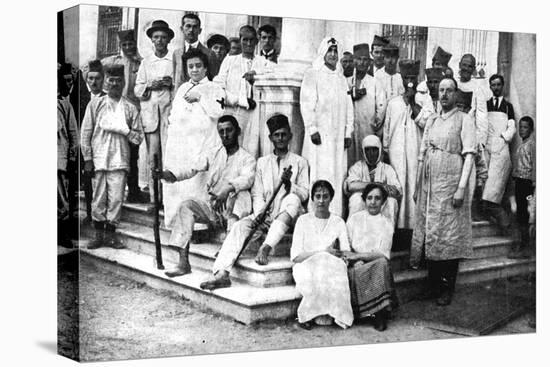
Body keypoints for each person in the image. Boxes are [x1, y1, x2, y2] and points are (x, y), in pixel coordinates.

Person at [199, 114, 309, 288]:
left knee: (293, 199)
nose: (280, 138)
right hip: (264, 215)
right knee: (239, 226)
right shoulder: (262, 163)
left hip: (288, 217)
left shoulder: (300, 162)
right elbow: (257, 194)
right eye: (276, 135)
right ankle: (222, 273)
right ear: (270, 138)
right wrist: (259, 214)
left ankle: (266, 247)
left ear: (290, 135)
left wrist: (290, 185)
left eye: (283, 134)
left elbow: (304, 193)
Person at [154, 115, 256, 277]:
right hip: (214, 208)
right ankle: (183, 262)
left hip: (232, 210)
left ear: (238, 131)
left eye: (229, 130)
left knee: (241, 196)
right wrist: (168, 174)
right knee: (187, 205)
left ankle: (225, 254)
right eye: (221, 131)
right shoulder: (214, 153)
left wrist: (227, 189)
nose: (225, 135)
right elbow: (192, 168)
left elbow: (247, 179)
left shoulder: (247, 159)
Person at [411, 78, 476, 306]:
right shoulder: (433, 120)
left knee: (449, 235)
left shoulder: (464, 119)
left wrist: (460, 188)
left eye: (449, 90)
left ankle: (447, 288)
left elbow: (469, 154)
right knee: (433, 233)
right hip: (431, 184)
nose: (445, 94)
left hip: (451, 184)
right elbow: (422, 154)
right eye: (441, 90)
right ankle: (432, 285)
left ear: (456, 94)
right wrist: (419, 186)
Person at [81, 65, 144, 249]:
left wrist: (124, 129)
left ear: (124, 82)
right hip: (99, 158)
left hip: (119, 159)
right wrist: (88, 159)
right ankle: (98, 235)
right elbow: (86, 133)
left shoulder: (130, 108)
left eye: (118, 80)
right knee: (98, 198)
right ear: (105, 82)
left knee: (116, 198)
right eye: (111, 80)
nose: (114, 83)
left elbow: (138, 137)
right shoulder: (95, 104)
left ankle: (110, 234)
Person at [162, 49, 226, 230]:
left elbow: (217, 112)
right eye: (190, 66)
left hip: (202, 143)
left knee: (196, 185)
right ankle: (177, 224)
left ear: (206, 68)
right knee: (179, 186)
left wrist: (200, 96)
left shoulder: (214, 88)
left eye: (198, 66)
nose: (195, 70)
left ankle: (198, 228)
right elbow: (174, 115)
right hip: (181, 145)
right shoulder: (182, 88)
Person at [300, 36, 354, 216]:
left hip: (338, 138)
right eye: (329, 50)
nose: (332, 54)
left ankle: (336, 215)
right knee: (321, 172)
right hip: (321, 136)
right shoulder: (313, 74)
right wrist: (312, 128)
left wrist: (348, 132)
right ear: (323, 52)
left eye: (335, 51)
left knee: (337, 173)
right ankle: (316, 215)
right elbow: (307, 104)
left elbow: (349, 108)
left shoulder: (341, 78)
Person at [291, 180, 353, 330]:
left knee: (333, 266)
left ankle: (337, 314)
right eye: (317, 196)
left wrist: (340, 257)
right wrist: (323, 251)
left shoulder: (338, 222)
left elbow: (346, 251)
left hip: (330, 265)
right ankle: (306, 314)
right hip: (306, 265)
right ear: (312, 199)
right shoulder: (303, 220)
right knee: (322, 264)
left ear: (331, 198)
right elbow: (296, 257)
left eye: (325, 196)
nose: (321, 200)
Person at [214, 25, 275, 158]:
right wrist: (241, 101)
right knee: (230, 149)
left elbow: (277, 71)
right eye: (245, 40)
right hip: (234, 111)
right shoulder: (230, 61)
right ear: (240, 40)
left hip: (254, 115)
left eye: (252, 40)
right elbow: (219, 89)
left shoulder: (263, 62)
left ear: (256, 41)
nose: (248, 43)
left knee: (250, 150)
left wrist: (257, 74)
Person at [102, 29, 148, 204]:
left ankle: (134, 191)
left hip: (134, 112)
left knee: (133, 153)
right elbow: (88, 68)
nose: (128, 47)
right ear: (120, 46)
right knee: (113, 151)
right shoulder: (113, 61)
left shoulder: (141, 63)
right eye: (125, 45)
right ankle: (111, 192)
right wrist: (101, 91)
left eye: (131, 44)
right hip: (116, 111)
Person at [344, 183, 397, 331]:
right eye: (369, 198)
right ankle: (367, 311)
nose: (373, 202)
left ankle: (378, 314)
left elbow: (382, 254)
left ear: (383, 202)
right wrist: (354, 260)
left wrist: (359, 256)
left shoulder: (386, 224)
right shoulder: (354, 219)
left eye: (377, 198)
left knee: (381, 264)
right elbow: (345, 245)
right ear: (364, 200)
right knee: (362, 268)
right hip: (355, 264)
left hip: (374, 263)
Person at [383, 60, 427, 236]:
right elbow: (387, 129)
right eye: (406, 77)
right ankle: (397, 229)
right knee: (399, 184)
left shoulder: (423, 101)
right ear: (401, 79)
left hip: (415, 150)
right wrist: (386, 150)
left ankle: (412, 230)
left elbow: (425, 123)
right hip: (396, 151)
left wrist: (412, 103)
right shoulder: (393, 103)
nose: (410, 81)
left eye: (413, 77)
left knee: (413, 186)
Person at [135, 20, 175, 204]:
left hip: (169, 115)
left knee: (169, 157)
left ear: (168, 40)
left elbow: (180, 85)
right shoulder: (146, 62)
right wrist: (150, 85)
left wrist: (170, 84)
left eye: (163, 37)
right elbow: (137, 89)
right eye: (156, 37)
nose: (159, 40)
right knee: (153, 158)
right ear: (151, 39)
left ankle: (168, 199)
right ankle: (154, 198)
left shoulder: (173, 60)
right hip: (151, 117)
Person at [480, 74, 516, 232]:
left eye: (498, 85)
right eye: (493, 85)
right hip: (487, 148)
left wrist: (504, 137)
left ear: (502, 86)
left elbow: (512, 127)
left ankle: (505, 222)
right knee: (484, 187)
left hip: (501, 149)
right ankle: (497, 219)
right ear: (490, 86)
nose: (496, 87)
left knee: (493, 190)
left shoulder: (508, 106)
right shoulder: (485, 105)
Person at [344, 135, 401, 223]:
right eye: (367, 150)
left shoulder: (387, 169)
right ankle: (353, 235)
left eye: (374, 150)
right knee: (356, 199)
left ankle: (387, 235)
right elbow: (351, 186)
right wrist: (378, 185)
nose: (371, 153)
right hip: (363, 200)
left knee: (391, 202)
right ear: (363, 152)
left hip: (381, 201)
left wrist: (387, 191)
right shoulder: (357, 167)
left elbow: (396, 190)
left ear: (380, 151)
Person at [347, 43, 386, 166]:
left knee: (367, 161)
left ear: (369, 62)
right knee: (349, 161)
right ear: (354, 61)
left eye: (365, 60)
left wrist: (375, 125)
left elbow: (381, 107)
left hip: (368, 129)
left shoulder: (375, 83)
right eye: (359, 59)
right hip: (350, 132)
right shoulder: (347, 82)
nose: (362, 63)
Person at [57, 70, 79, 248]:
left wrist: (71, 156)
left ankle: (62, 233)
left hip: (58, 158)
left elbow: (73, 132)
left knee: (61, 199)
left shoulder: (64, 105)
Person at [509, 116, 535, 259]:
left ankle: (525, 248)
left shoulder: (532, 145)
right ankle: (521, 245)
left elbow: (535, 165)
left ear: (531, 129)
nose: (522, 130)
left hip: (527, 184)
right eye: (520, 127)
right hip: (519, 182)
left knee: (525, 215)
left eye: (525, 127)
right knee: (519, 214)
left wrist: (534, 183)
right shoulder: (521, 146)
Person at [173, 14, 217, 88]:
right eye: (188, 26)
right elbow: (175, 80)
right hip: (180, 96)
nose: (191, 30)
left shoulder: (209, 54)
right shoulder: (176, 53)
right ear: (182, 29)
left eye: (195, 27)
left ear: (200, 31)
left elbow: (214, 80)